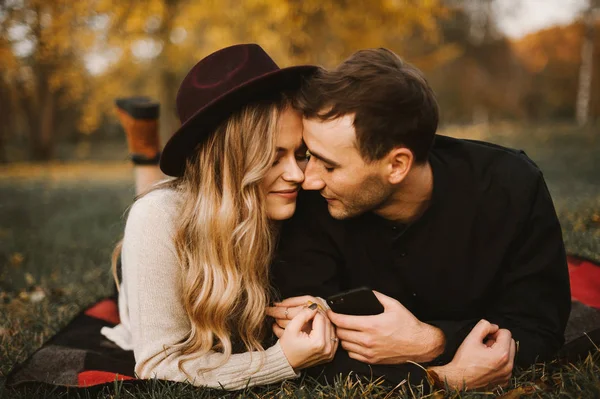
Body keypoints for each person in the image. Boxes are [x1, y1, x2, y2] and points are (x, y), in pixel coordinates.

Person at [268, 48, 571, 389]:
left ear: (396, 165)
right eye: (309, 155)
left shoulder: (511, 187)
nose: (307, 178)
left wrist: (433, 340)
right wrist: (444, 377)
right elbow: (308, 353)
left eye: (329, 165)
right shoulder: (311, 202)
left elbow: (539, 332)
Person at [100, 44, 339, 390]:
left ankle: (146, 151)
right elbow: (157, 364)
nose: (298, 175)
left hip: (202, 201)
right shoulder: (157, 220)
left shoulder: (290, 199)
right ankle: (145, 153)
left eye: (299, 154)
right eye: (273, 158)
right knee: (152, 206)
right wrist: (280, 361)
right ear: (228, 162)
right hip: (157, 245)